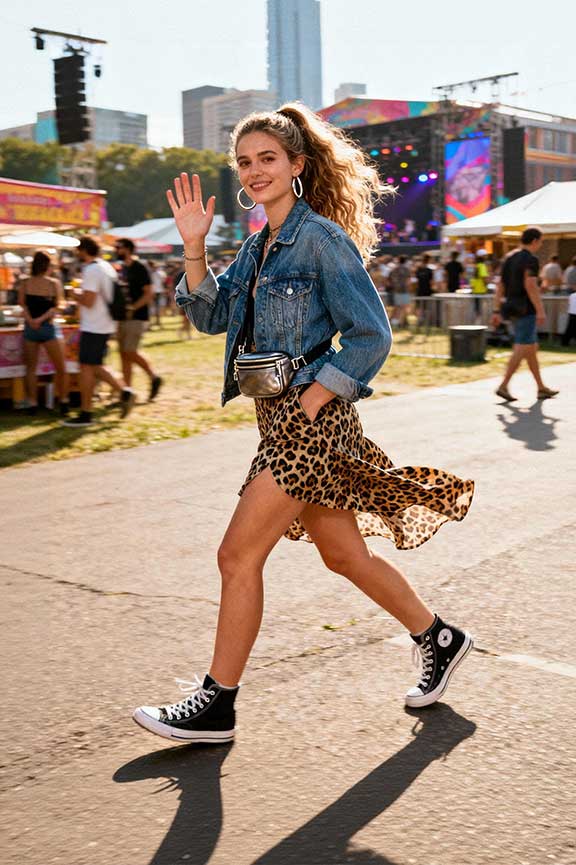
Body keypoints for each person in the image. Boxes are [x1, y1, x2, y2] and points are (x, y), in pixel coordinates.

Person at [132, 103, 475, 745]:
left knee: (237, 555)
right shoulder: (257, 246)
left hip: (309, 424)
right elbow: (210, 318)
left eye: (268, 158)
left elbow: (371, 334)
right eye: (245, 162)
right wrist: (194, 248)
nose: (255, 170)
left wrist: (315, 397)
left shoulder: (320, 239)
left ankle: (217, 705)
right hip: (280, 422)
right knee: (343, 555)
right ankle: (439, 636)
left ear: (296, 164)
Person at [63, 236, 135, 427]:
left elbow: (88, 301)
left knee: (86, 367)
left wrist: (73, 293)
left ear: (83, 250)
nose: (76, 254)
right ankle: (125, 392)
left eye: (78, 250)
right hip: (103, 324)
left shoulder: (92, 269)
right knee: (94, 366)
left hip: (94, 325)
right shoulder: (104, 266)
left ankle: (86, 413)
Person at [492, 227, 559, 402]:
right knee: (522, 347)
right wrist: (540, 310)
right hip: (526, 309)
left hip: (510, 308)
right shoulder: (531, 259)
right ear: (535, 241)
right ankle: (503, 385)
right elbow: (530, 285)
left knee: (531, 349)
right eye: (541, 241)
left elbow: (500, 286)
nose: (541, 245)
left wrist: (496, 310)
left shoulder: (509, 258)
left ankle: (541, 388)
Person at [17, 251, 69, 415]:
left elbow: (22, 304)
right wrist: (41, 319)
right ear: (48, 265)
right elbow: (59, 306)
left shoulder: (25, 282)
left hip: (30, 327)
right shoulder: (53, 283)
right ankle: (64, 401)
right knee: (61, 368)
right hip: (48, 327)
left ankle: (32, 403)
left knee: (31, 368)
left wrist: (31, 320)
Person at [114, 238, 163, 401]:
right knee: (123, 355)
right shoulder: (121, 268)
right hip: (122, 317)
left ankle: (154, 377)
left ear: (128, 249)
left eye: (118, 247)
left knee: (130, 351)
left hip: (137, 317)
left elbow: (149, 293)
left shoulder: (139, 267)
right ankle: (126, 392)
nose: (116, 250)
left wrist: (132, 308)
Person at [387, 255, 412, 326]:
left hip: (396, 290)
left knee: (397, 307)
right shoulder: (406, 269)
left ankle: (393, 321)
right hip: (404, 290)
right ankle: (399, 322)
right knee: (403, 307)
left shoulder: (394, 269)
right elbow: (408, 281)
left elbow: (389, 280)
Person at [148, 260, 166, 328]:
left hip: (155, 292)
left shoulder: (152, 274)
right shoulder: (160, 273)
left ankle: (156, 322)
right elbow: (163, 282)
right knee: (156, 307)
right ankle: (157, 322)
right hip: (158, 291)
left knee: (154, 307)